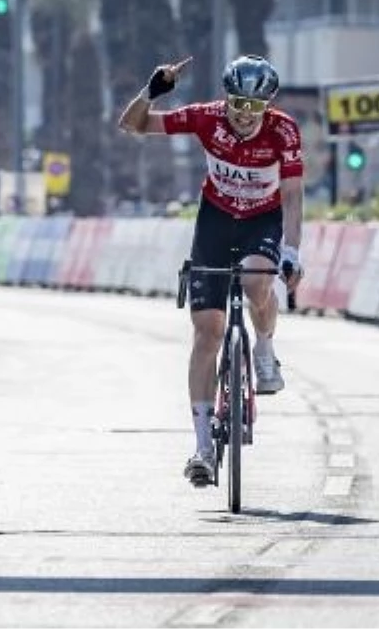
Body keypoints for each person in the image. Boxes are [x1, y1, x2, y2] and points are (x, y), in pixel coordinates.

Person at [116, 54, 305, 488]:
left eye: (254, 108)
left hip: (263, 219)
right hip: (215, 221)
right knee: (207, 333)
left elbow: (293, 197)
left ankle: (263, 347)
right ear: (226, 99)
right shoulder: (206, 119)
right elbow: (133, 125)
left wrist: (292, 252)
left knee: (258, 280)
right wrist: (152, 92)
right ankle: (202, 447)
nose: (243, 115)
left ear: (268, 107)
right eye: (237, 104)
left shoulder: (284, 131)